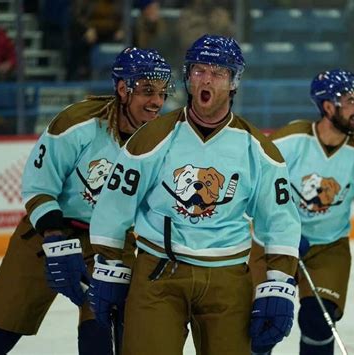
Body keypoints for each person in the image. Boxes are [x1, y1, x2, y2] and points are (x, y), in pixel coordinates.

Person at [87, 34, 301, 355]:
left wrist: (280, 282)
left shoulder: (257, 148)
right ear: (188, 77)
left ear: (233, 83)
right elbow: (115, 203)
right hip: (159, 273)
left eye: (218, 73)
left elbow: (280, 220)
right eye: (199, 71)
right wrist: (108, 263)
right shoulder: (153, 137)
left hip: (228, 279)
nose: (206, 79)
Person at [0, 47, 173, 354]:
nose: (157, 101)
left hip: (111, 243)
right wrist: (54, 238)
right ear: (123, 88)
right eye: (147, 91)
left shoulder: (160, 140)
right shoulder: (77, 124)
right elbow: (39, 186)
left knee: (102, 337)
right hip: (46, 236)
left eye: (162, 92)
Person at [250, 69, 354, 354]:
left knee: (318, 322)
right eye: (351, 102)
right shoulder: (286, 142)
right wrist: (282, 233)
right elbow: (253, 190)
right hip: (271, 243)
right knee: (261, 322)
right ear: (328, 107)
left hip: (328, 248)